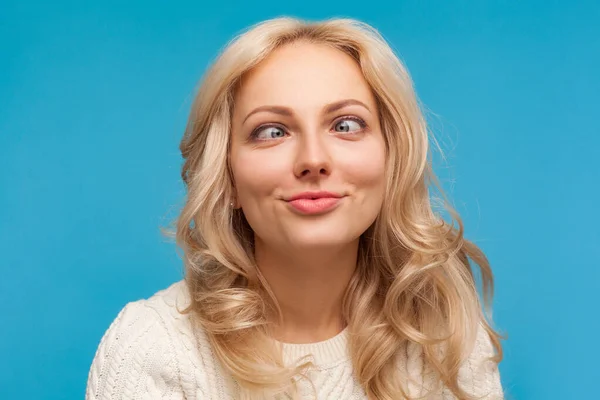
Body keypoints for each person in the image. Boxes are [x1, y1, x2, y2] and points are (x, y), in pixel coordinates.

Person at [86, 16, 505, 400]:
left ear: (390, 158)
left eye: (345, 125)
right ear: (226, 175)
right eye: (272, 131)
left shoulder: (446, 340)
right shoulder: (154, 349)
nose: (313, 159)